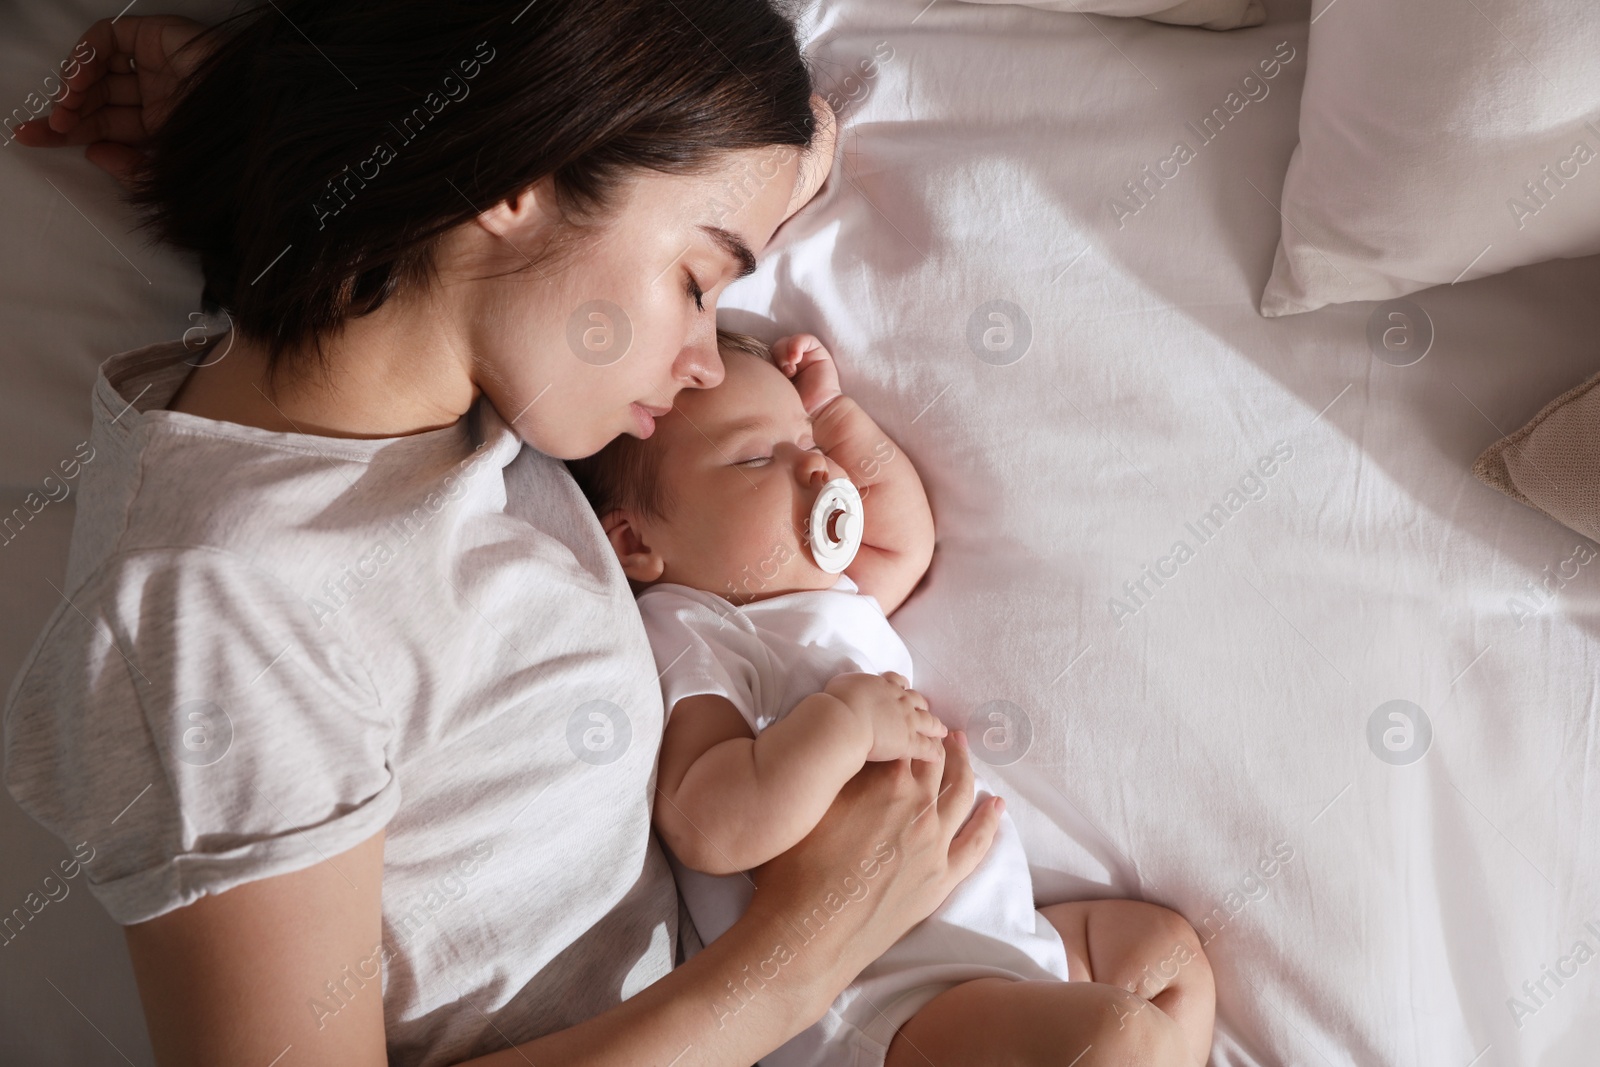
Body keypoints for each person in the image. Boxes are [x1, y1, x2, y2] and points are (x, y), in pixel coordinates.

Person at [3, 5, 1015, 1066]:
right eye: (695, 282)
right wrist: (797, 955)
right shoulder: (221, 604)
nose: (709, 360)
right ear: (521, 176)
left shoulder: (472, 381)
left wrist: (274, 84)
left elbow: (789, 135)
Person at [568, 329, 1216, 1067]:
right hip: (885, 999)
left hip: (996, 935)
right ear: (634, 542)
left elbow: (901, 543)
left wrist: (835, 413)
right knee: (1125, 1039)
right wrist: (840, 726)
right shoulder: (696, 625)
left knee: (1169, 958)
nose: (814, 465)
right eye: (756, 457)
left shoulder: (829, 595)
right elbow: (708, 820)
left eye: (807, 443)